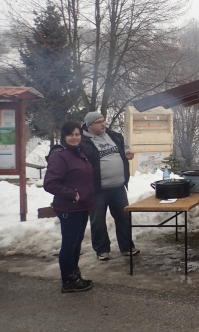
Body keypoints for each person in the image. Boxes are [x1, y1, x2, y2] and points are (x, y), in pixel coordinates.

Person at [43, 121, 96, 293]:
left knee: (76, 243)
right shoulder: (59, 155)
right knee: (69, 244)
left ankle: (74, 275)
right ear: (63, 137)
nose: (74, 138)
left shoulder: (78, 152)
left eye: (77, 134)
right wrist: (73, 194)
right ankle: (68, 279)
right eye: (71, 135)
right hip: (69, 207)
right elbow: (50, 184)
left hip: (81, 206)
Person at [80, 112, 138, 261]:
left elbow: (124, 146)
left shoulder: (113, 135)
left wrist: (127, 152)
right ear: (89, 125)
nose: (103, 124)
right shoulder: (82, 142)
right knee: (98, 220)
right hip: (97, 189)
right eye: (99, 122)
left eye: (103, 121)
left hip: (118, 187)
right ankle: (102, 250)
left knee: (124, 218)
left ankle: (127, 247)